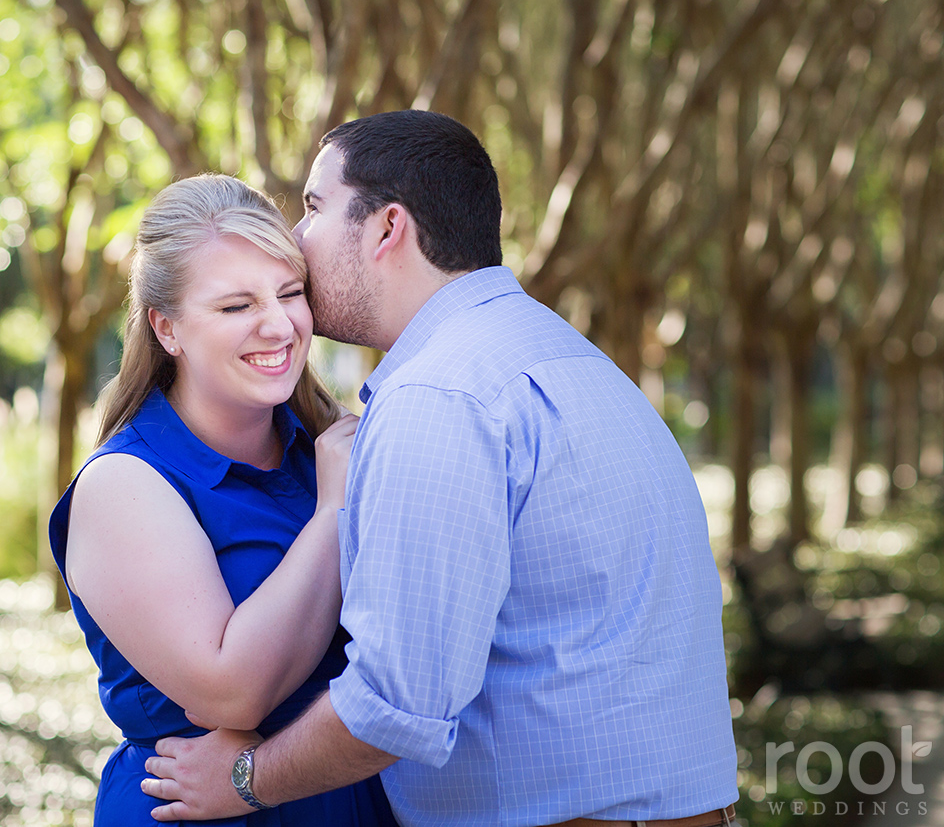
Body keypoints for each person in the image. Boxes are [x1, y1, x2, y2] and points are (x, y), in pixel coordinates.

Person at [142, 110, 740, 826]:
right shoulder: (573, 360)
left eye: (313, 207)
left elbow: (396, 705)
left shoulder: (438, 395)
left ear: (387, 227)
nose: (296, 242)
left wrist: (244, 777)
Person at [48, 174, 398, 826]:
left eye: (290, 293)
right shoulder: (123, 484)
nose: (277, 324)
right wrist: (332, 512)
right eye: (236, 306)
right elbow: (232, 691)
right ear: (168, 329)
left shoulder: (326, 445)